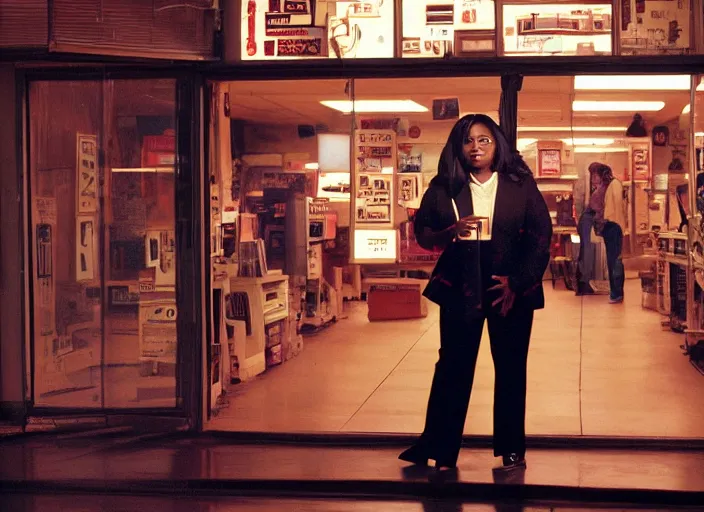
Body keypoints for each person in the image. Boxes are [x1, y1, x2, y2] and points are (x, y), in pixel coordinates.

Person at [398, 114, 552, 472]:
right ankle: (438, 448)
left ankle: (513, 450)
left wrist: (519, 281)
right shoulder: (443, 186)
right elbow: (422, 234)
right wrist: (451, 230)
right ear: (459, 146)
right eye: (468, 140)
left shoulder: (520, 184)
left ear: (497, 144)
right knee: (453, 366)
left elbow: (541, 238)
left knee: (511, 369)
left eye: (484, 140)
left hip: (509, 285)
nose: (476, 147)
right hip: (461, 282)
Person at [575, 162, 607, 296]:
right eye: (592, 175)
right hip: (587, 222)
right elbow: (597, 210)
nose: (593, 178)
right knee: (586, 253)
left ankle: (582, 283)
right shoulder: (599, 191)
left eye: (595, 175)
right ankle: (583, 283)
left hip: (586, 222)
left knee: (585, 252)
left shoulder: (601, 189)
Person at [597, 164, 626, 303]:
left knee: (614, 261)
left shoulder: (614, 185)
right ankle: (615, 292)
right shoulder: (610, 185)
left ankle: (617, 292)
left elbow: (617, 207)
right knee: (612, 260)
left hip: (614, 225)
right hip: (611, 225)